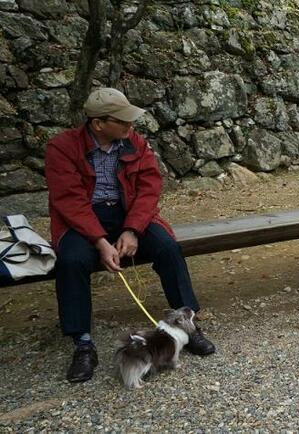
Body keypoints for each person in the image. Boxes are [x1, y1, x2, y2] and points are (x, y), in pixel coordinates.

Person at [45, 88, 216, 383]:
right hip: (81, 219)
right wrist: (100, 240)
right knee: (71, 260)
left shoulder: (134, 142)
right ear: (98, 123)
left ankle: (189, 325)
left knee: (167, 247)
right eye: (123, 121)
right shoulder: (61, 148)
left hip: (128, 215)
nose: (130, 126)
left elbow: (150, 187)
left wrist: (132, 229)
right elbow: (69, 199)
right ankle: (83, 342)